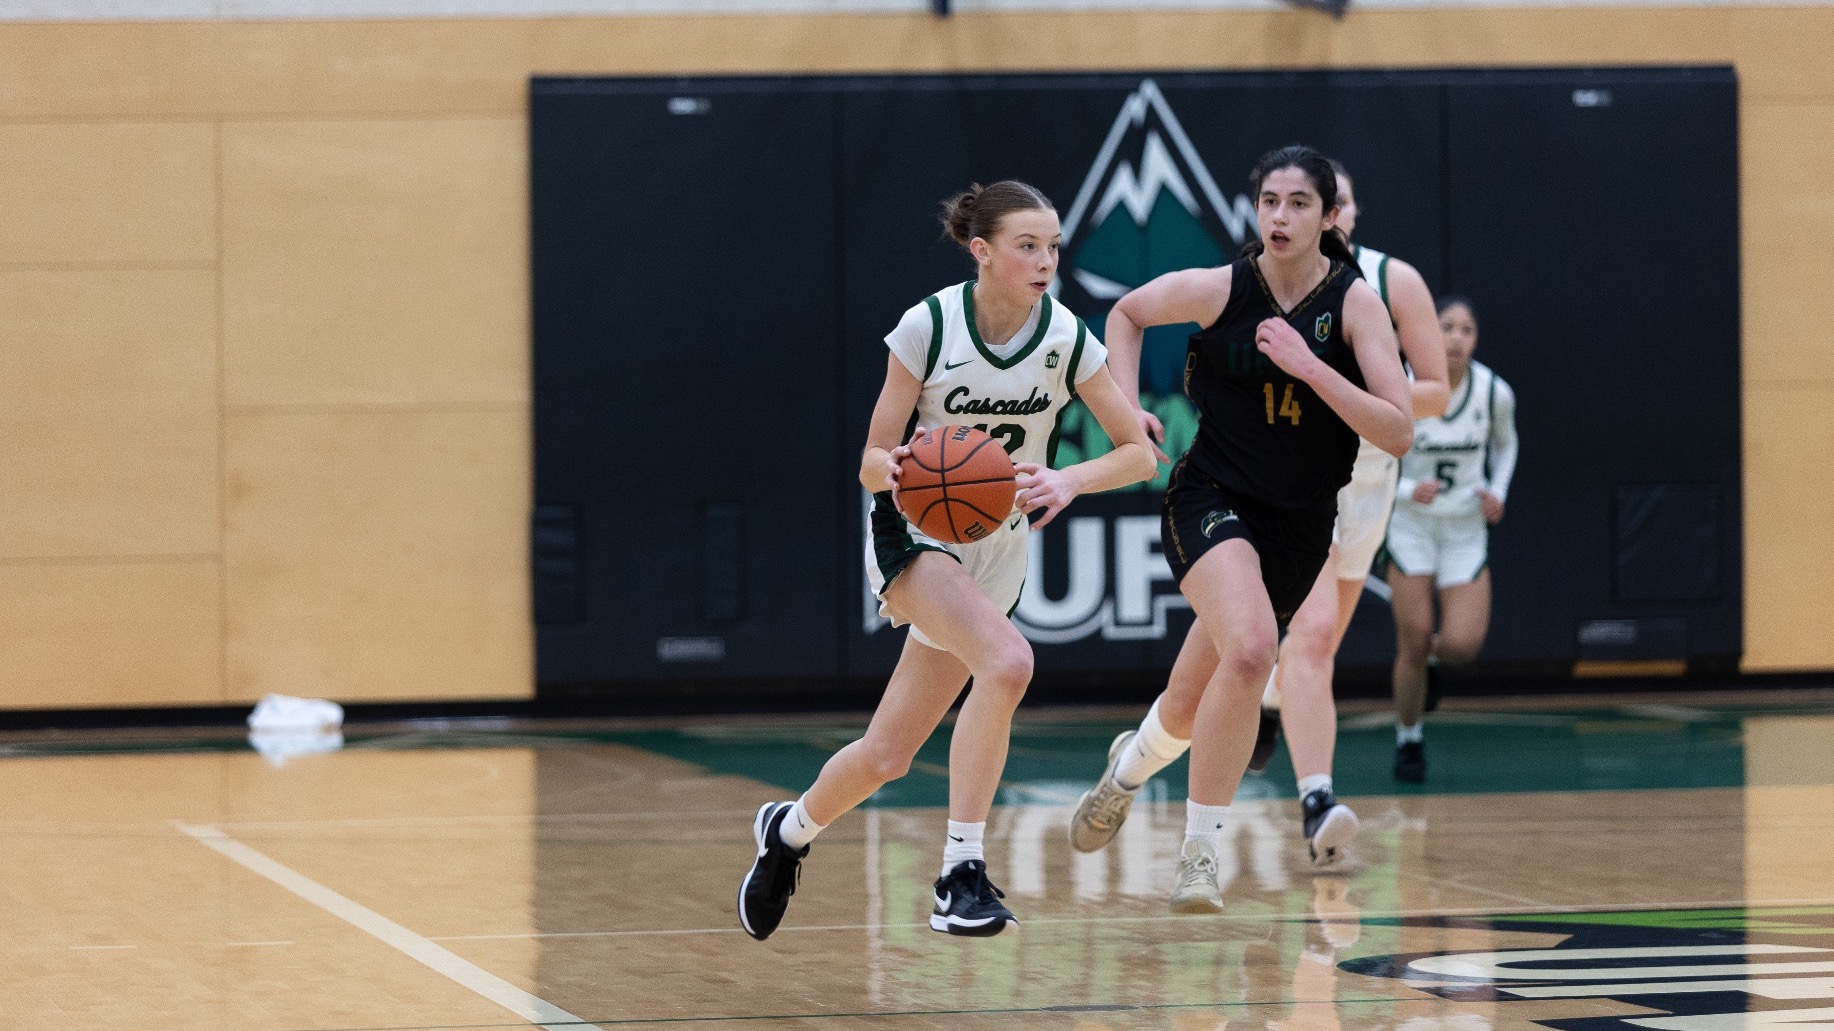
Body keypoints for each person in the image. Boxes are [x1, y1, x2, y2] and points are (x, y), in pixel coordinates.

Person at [737, 180, 1155, 941]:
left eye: (1054, 246)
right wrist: (894, 470)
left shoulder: (1064, 337)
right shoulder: (928, 326)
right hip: (915, 531)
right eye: (1028, 245)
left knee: (887, 755)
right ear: (983, 251)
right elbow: (869, 456)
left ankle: (787, 831)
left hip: (995, 545)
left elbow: (1137, 454)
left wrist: (1067, 477)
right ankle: (960, 872)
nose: (1045, 260)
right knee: (1008, 661)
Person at [1070, 158, 1448, 871]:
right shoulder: (1232, 286)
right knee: (1270, 647)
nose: (1281, 216)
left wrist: (1317, 369)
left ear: (1333, 215)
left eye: (1300, 202)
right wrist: (1125, 414)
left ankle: (1129, 769)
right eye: (1269, 201)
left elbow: (1414, 412)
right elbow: (1127, 313)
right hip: (1229, 488)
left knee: (1200, 692)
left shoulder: (1375, 291)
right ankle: (1295, 806)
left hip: (1335, 492)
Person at [1385, 296, 1517, 782]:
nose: (1457, 338)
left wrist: (1496, 490)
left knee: (1461, 645)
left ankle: (1429, 669)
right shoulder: (1399, 385)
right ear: (1428, 333)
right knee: (1413, 638)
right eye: (1447, 327)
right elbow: (1368, 453)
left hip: (1463, 523)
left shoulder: (1492, 392)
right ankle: (1409, 739)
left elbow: (1506, 445)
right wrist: (1403, 488)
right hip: (1410, 522)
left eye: (1467, 329)